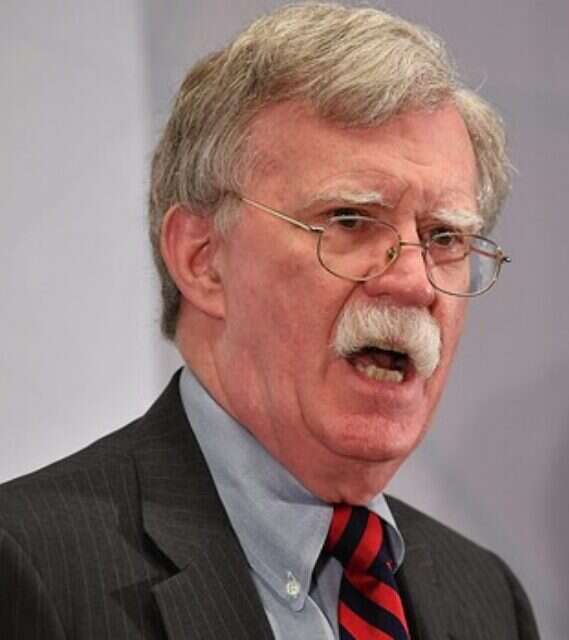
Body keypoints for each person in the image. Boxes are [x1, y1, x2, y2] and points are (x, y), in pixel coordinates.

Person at [0, 3, 538, 639]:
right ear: (202, 259)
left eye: (445, 237)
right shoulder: (29, 568)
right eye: (350, 220)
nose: (414, 282)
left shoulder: (486, 600)